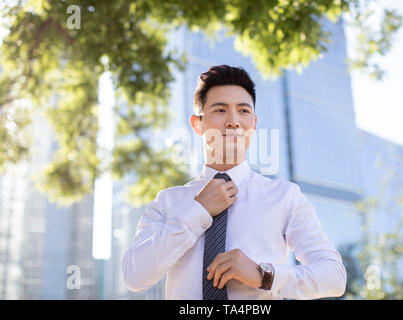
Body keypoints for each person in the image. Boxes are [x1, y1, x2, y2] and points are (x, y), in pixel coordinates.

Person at [122, 64, 347, 300]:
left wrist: (265, 275)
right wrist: (197, 212)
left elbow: (334, 277)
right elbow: (134, 276)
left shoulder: (285, 196)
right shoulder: (168, 201)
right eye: (220, 110)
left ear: (254, 124)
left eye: (243, 111)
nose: (233, 121)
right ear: (197, 124)